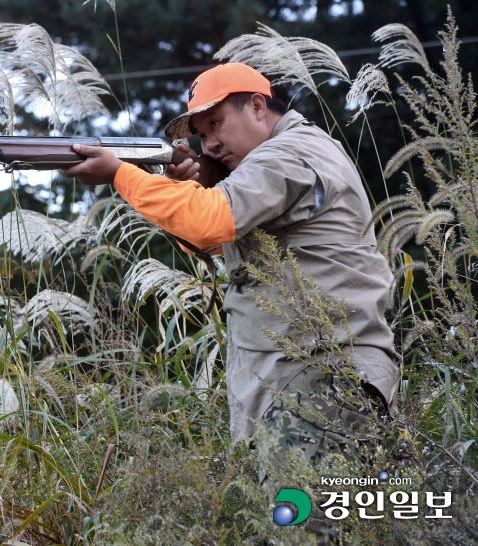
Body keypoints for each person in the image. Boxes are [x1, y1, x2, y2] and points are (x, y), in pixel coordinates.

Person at [61, 62, 400, 470]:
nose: (210, 145)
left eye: (216, 124)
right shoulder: (276, 158)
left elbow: (208, 222)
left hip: (322, 375)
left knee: (305, 527)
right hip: (295, 373)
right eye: (202, 136)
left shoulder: (289, 153)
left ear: (258, 107)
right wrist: (192, 188)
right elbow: (217, 242)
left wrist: (120, 174)